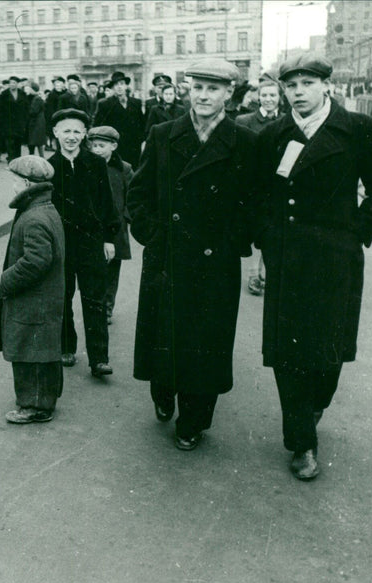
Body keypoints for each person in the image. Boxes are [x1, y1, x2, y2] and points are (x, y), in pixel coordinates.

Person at [254, 53, 372, 480]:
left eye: (306, 84)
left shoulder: (356, 130)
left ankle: (316, 404)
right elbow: (260, 193)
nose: (297, 92)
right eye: (290, 85)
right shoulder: (274, 135)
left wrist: (356, 229)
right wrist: (267, 237)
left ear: (326, 86)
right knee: (288, 353)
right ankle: (302, 442)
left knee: (328, 351)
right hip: (287, 257)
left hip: (335, 259)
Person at [127, 58, 257, 451]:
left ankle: (195, 419)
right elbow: (138, 192)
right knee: (165, 334)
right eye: (197, 87)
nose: (203, 96)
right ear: (188, 90)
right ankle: (163, 391)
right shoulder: (164, 133)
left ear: (228, 94)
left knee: (206, 342)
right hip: (167, 255)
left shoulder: (244, 141)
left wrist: (234, 240)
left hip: (214, 261)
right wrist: (152, 234)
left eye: (213, 89)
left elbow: (252, 202)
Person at [0, 155, 65, 424]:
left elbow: (36, 261)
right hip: (43, 299)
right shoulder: (44, 208)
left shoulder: (33, 217)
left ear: (25, 183)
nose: (12, 187)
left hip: (33, 301)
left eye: (14, 181)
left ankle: (34, 406)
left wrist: (6, 281)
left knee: (29, 351)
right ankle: (44, 399)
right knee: (41, 349)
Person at [48, 109, 119, 378]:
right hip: (61, 243)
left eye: (77, 131)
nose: (71, 137)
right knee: (62, 296)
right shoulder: (49, 166)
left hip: (91, 242)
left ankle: (99, 358)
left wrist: (109, 238)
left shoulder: (95, 163)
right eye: (66, 131)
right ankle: (67, 347)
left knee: (94, 299)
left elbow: (107, 203)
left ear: (84, 135)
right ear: (55, 133)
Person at [235, 77, 283, 296]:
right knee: (254, 228)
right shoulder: (244, 121)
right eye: (264, 95)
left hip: (277, 184)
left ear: (280, 99)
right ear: (258, 98)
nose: (268, 99)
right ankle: (254, 275)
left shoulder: (286, 122)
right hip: (251, 183)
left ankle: (265, 275)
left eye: (273, 95)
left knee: (272, 229)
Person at [87, 126, 132, 325]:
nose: (96, 150)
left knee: (112, 270)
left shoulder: (124, 169)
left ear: (113, 146)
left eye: (101, 146)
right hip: (92, 227)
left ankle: (107, 308)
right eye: (94, 145)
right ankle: (94, 305)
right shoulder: (85, 165)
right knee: (93, 268)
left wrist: (125, 217)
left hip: (116, 229)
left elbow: (133, 195)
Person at [93, 71, 145, 168]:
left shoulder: (136, 103)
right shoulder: (105, 104)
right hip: (115, 146)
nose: (119, 87)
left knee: (133, 172)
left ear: (126, 86)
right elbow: (97, 126)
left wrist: (142, 141)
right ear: (112, 88)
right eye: (116, 84)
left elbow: (142, 124)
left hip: (134, 146)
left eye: (122, 84)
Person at [0, 75, 29, 162]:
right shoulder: (4, 95)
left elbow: (26, 108)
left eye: (14, 83)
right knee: (9, 143)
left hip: (19, 123)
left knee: (18, 143)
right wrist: (1, 121)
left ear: (17, 84)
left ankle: (17, 160)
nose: (12, 85)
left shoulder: (22, 94)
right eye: (10, 83)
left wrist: (25, 121)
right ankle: (11, 160)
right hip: (7, 123)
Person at [25, 82, 47, 157]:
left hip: (36, 124)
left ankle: (39, 159)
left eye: (28, 88)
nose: (26, 89)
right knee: (35, 143)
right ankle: (39, 158)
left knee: (35, 143)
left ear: (32, 89)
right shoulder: (35, 98)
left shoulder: (37, 99)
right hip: (36, 124)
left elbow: (33, 111)